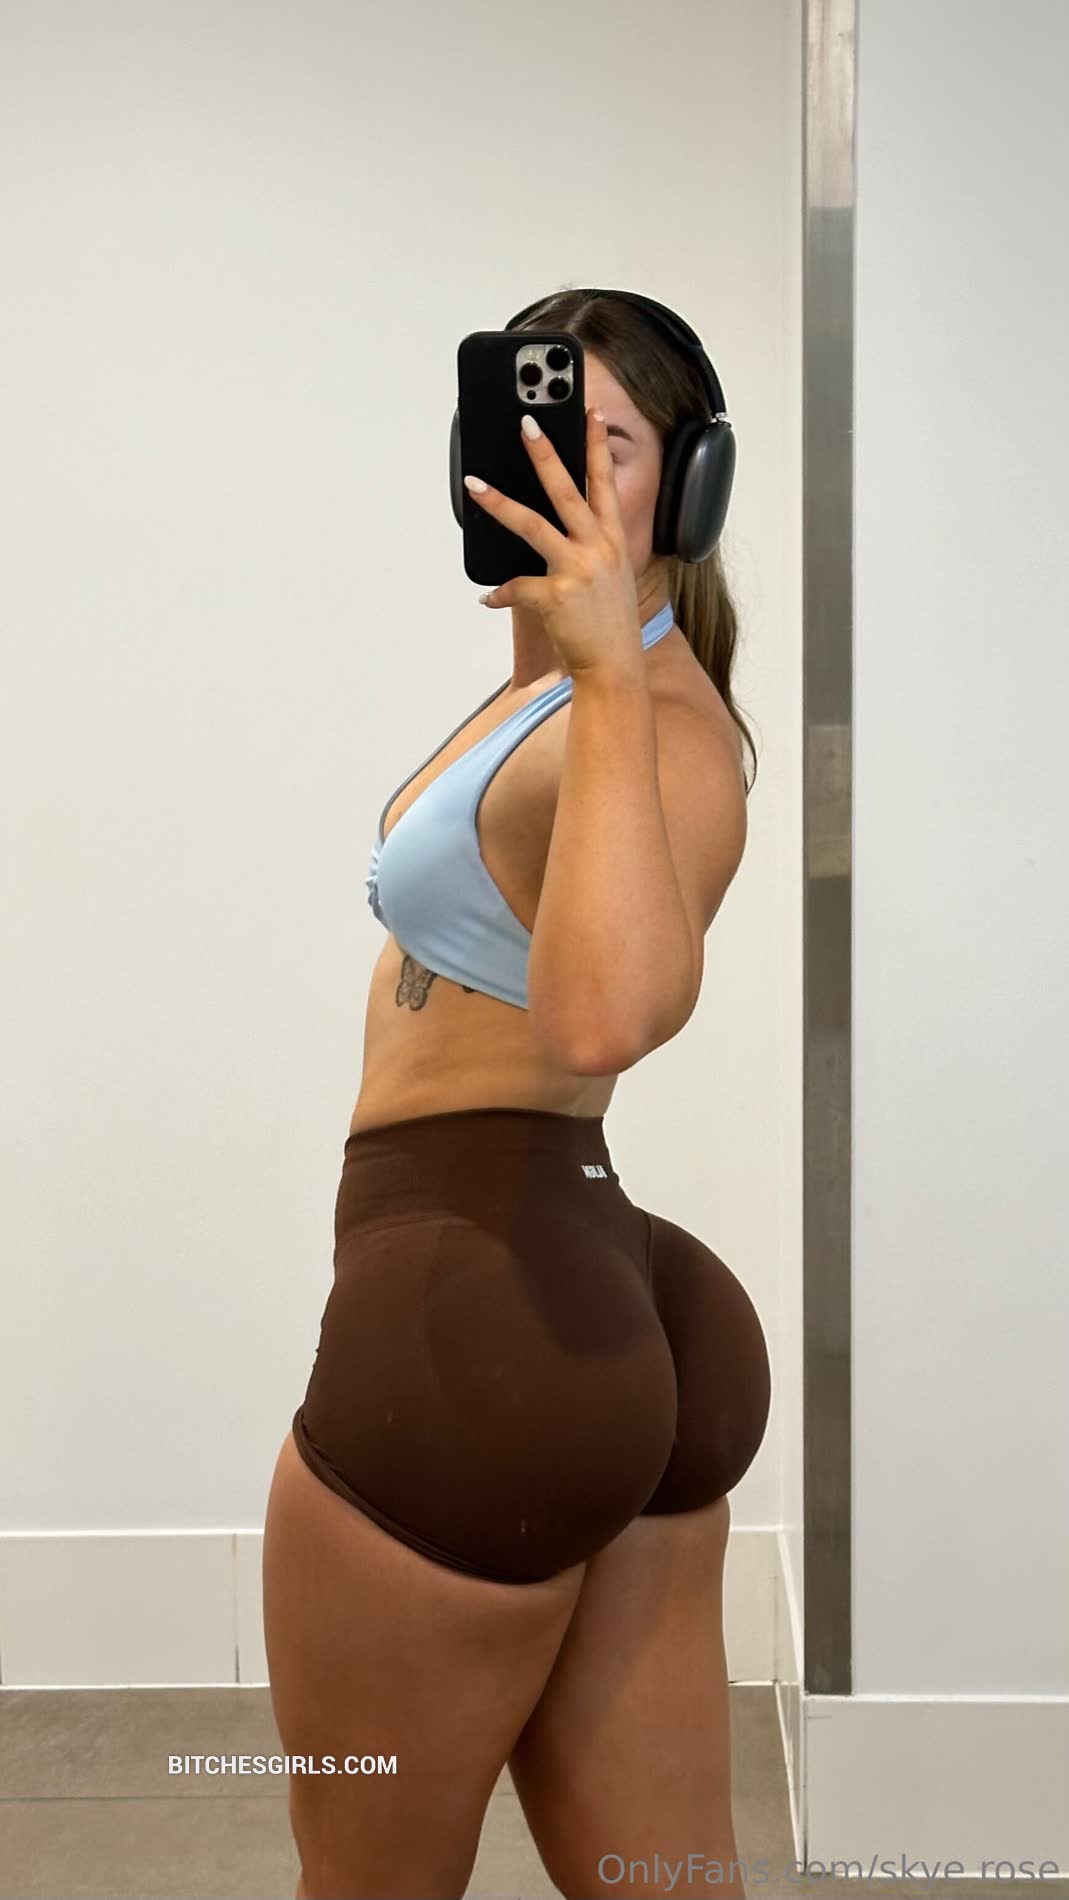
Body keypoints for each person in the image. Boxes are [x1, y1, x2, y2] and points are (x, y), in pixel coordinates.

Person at [261, 287, 772, 1900]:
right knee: (666, 1884)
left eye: (608, 443)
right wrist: (580, 661)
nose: (560, 468)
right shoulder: (555, 693)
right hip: (583, 1291)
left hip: (478, 1321)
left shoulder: (657, 724)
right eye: (538, 427)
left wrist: (609, 669)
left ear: (687, 489)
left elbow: (606, 1016)